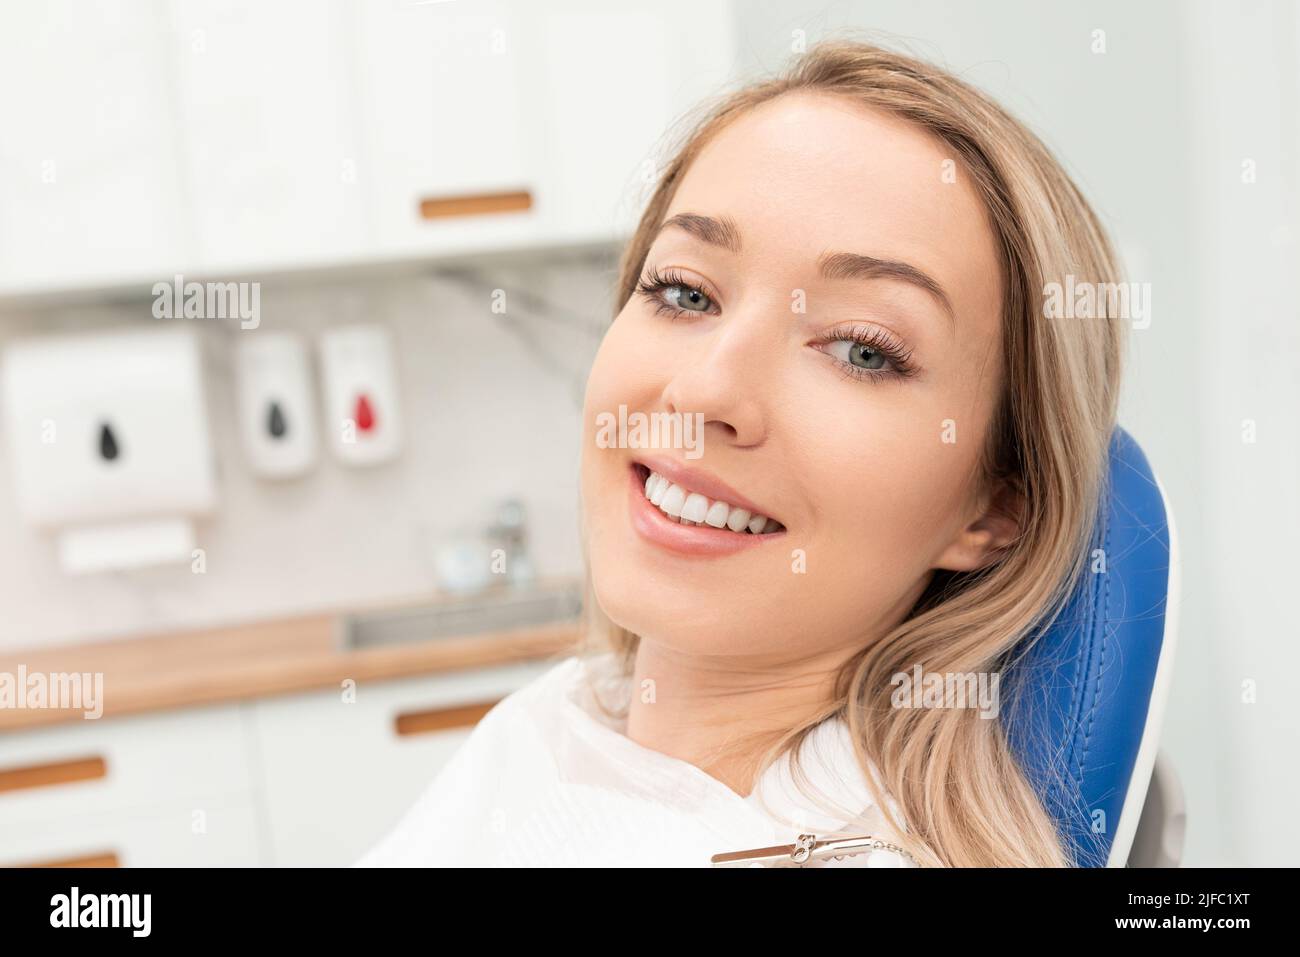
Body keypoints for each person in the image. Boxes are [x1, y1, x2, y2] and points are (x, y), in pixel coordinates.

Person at [358, 36, 1126, 868]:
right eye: (685, 292)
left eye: (861, 348)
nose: (705, 393)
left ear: (994, 507)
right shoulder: (571, 717)